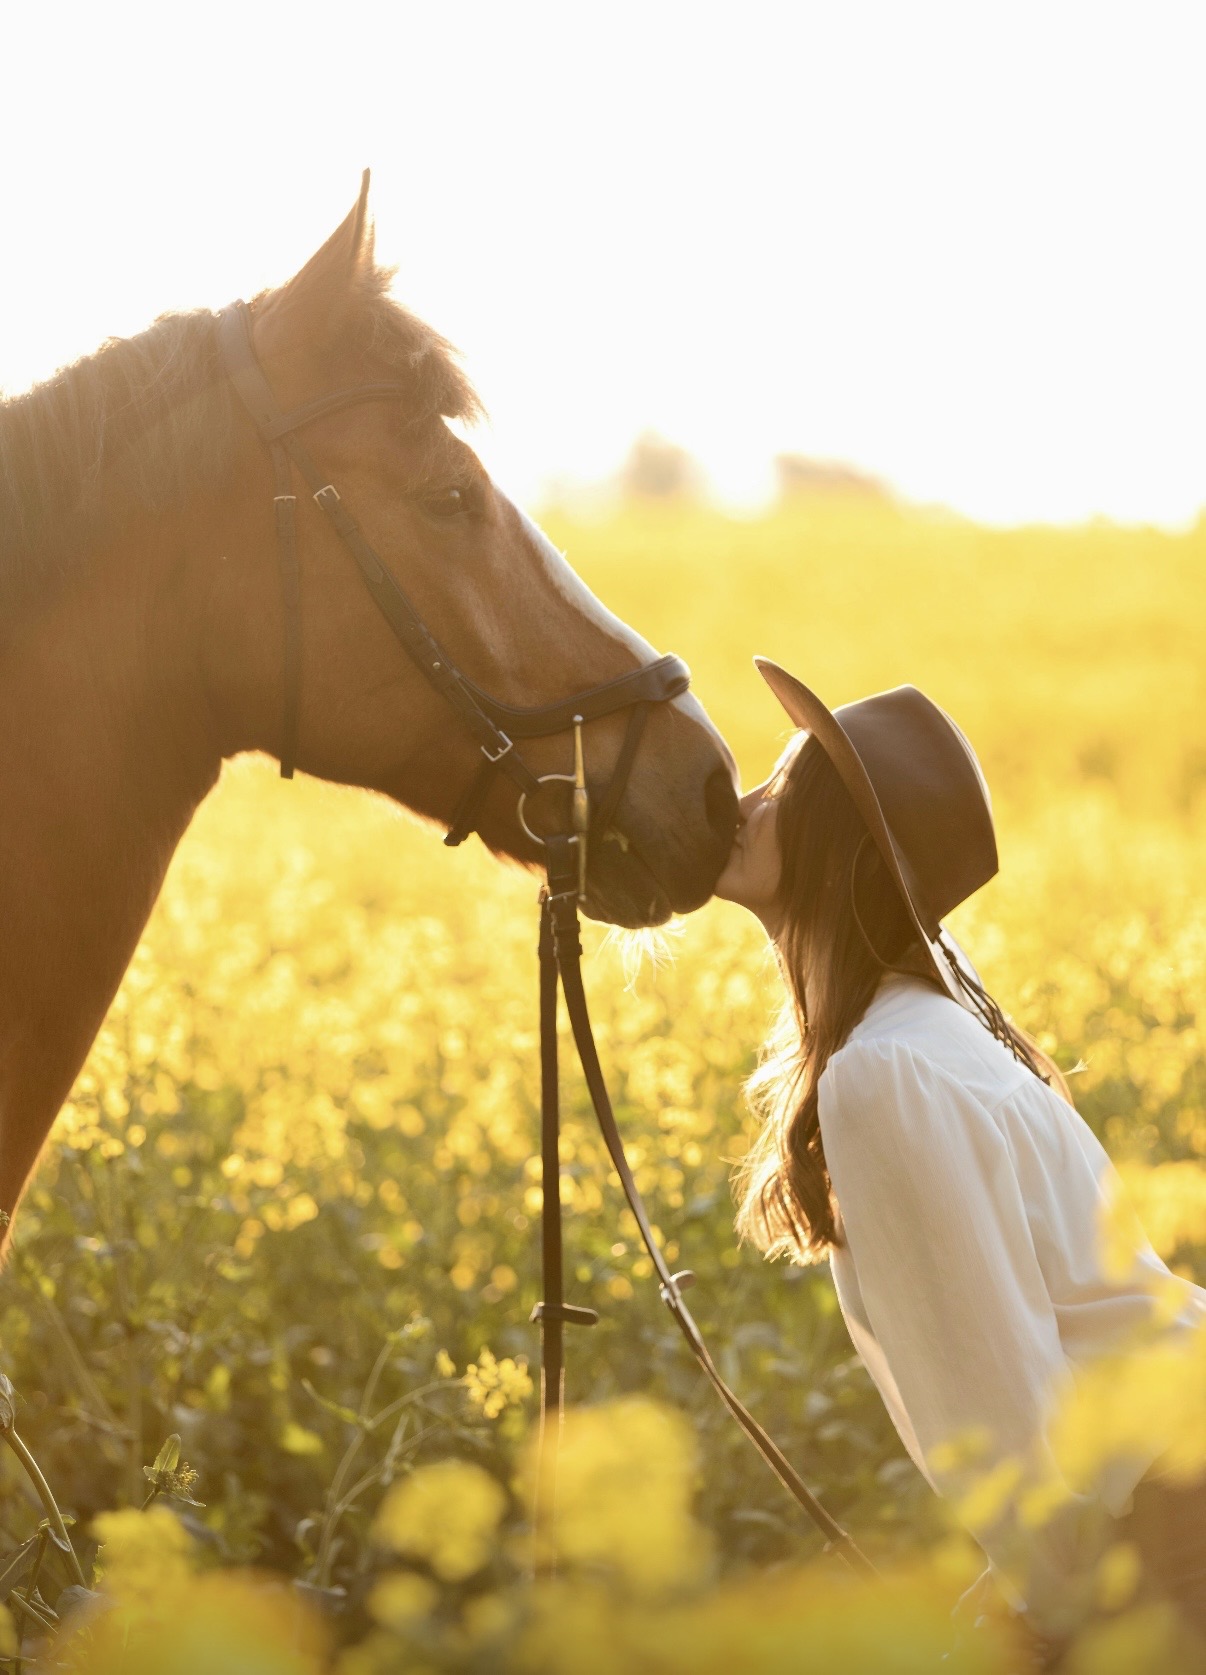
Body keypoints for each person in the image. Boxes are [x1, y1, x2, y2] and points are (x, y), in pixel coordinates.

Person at [713, 657, 1206, 1652]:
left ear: (840, 850)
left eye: (780, 790)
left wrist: (1050, 1604)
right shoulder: (928, 1038)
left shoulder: (886, 1074)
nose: (742, 803)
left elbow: (1003, 1404)